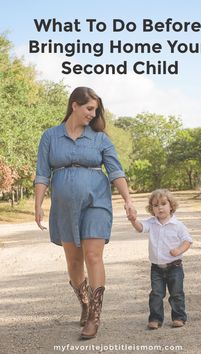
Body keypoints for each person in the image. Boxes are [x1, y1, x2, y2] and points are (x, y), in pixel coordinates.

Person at [34, 87, 136, 340]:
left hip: (96, 202)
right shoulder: (50, 136)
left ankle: (94, 316)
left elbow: (115, 171)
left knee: (93, 255)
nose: (93, 114)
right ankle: (84, 301)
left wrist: (128, 200)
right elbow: (42, 173)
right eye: (89, 108)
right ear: (74, 106)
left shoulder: (100, 138)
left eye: (96, 110)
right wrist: (37, 204)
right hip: (64, 206)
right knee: (74, 261)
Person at [128, 189, 192, 329]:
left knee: (176, 293)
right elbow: (140, 228)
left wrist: (179, 250)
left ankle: (179, 317)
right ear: (152, 209)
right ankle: (156, 319)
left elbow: (187, 241)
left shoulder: (178, 225)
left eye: (163, 204)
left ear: (171, 206)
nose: (160, 207)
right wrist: (133, 220)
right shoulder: (151, 223)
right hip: (156, 268)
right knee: (156, 294)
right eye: (156, 205)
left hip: (174, 266)